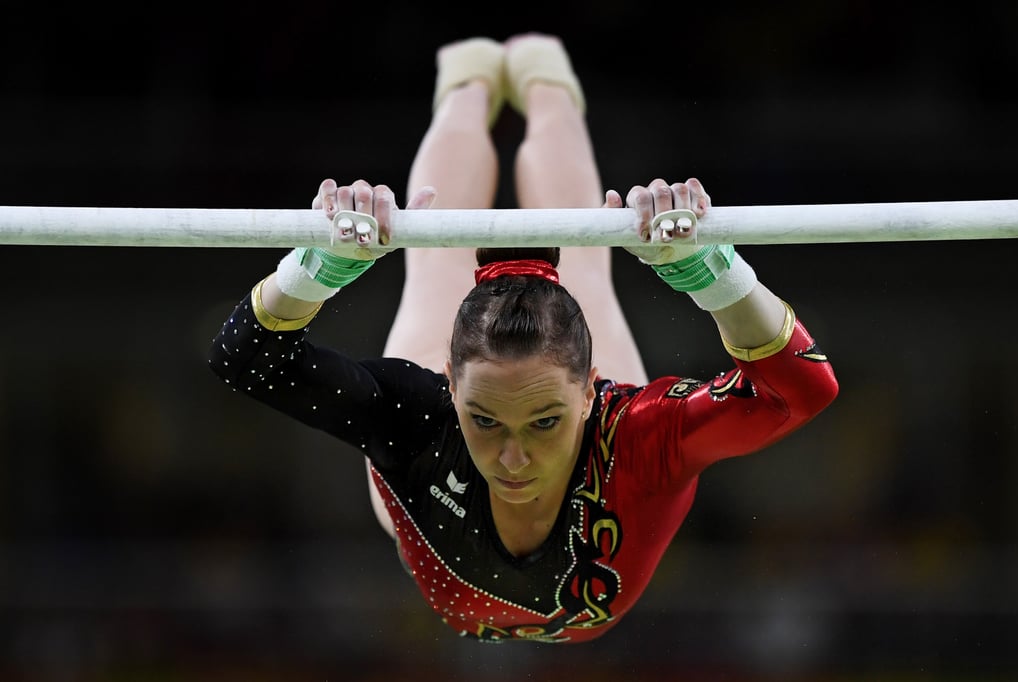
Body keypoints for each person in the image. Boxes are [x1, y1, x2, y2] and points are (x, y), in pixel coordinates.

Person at [208, 33, 839, 643]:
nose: (513, 460)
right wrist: (315, 269)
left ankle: (541, 77)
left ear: (592, 394)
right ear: (450, 387)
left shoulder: (637, 438)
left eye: (543, 422)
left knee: (568, 265)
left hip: (532, 444)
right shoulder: (421, 418)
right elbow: (241, 360)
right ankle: (471, 81)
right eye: (485, 421)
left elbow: (805, 394)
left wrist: (714, 274)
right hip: (442, 442)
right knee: (440, 257)